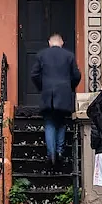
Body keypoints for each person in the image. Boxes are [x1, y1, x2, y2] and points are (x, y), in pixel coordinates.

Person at [30, 33, 81, 171]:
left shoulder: (42, 55)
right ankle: (59, 151)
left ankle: (51, 153)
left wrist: (43, 86)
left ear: (49, 42)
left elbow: (34, 74)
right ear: (62, 43)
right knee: (62, 123)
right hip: (63, 94)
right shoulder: (69, 55)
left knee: (49, 123)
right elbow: (76, 75)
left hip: (47, 94)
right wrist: (69, 87)